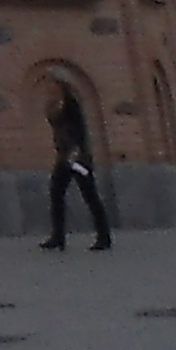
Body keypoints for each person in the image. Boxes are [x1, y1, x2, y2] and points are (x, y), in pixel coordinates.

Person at [39, 86, 112, 252]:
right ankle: (58, 237)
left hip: (78, 159)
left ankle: (104, 237)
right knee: (56, 194)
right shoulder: (55, 108)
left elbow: (77, 128)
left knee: (90, 196)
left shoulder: (71, 106)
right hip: (65, 158)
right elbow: (53, 120)